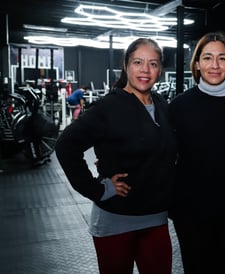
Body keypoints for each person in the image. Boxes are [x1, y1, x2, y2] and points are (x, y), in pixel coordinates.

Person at [55, 38, 177, 274]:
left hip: (156, 218)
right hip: (116, 219)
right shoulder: (107, 107)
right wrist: (98, 189)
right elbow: (66, 146)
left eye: (153, 63)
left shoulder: (161, 104)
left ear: (160, 69)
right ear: (126, 65)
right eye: (138, 62)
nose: (145, 70)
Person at [168, 32, 225, 274]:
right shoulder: (179, 106)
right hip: (190, 209)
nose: (215, 65)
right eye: (207, 58)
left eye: (222, 58)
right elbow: (159, 153)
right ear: (197, 64)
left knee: (221, 268)